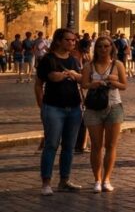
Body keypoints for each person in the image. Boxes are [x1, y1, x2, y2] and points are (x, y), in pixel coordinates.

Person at [37, 28, 84, 195]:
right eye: (68, 40)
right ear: (58, 41)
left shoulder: (74, 60)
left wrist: (75, 75)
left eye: (73, 40)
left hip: (74, 108)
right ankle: (46, 183)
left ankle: (64, 180)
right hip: (53, 107)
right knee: (51, 145)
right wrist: (42, 106)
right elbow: (39, 83)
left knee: (69, 147)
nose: (72, 43)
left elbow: (82, 80)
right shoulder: (48, 59)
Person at [81, 35, 127, 192]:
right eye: (100, 46)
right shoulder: (89, 66)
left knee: (111, 145)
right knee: (96, 145)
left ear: (111, 48)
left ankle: (107, 178)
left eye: (106, 46)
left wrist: (113, 82)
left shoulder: (117, 65)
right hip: (94, 108)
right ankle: (97, 179)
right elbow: (84, 84)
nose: (103, 49)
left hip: (114, 106)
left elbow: (124, 85)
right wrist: (93, 84)